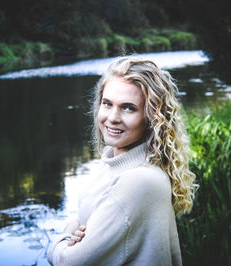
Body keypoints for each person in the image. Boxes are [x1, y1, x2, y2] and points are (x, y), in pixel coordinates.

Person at [47, 56, 198, 266]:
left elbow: (70, 262)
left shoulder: (140, 180)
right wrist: (75, 229)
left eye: (128, 108)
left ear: (151, 118)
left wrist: (58, 242)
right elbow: (83, 220)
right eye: (107, 104)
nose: (113, 117)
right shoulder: (110, 164)